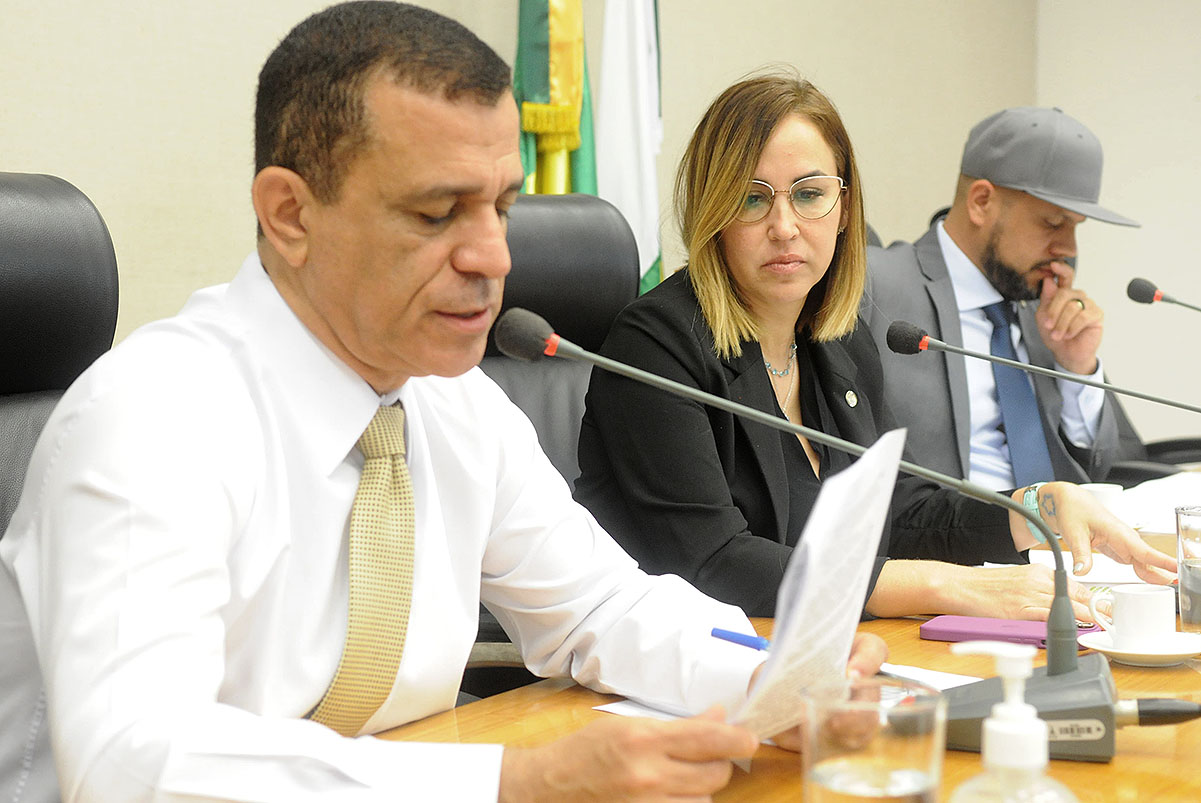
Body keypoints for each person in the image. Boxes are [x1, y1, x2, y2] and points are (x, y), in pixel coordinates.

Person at [0, 6, 888, 801]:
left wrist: (773, 677)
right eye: (437, 213)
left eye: (500, 207)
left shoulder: (453, 403)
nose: (494, 257)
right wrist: (518, 781)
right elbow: (132, 763)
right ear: (290, 214)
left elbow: (601, 608)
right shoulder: (151, 418)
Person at [573, 74, 1174, 624]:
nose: (784, 226)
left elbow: (900, 513)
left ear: (843, 210)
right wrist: (945, 587)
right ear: (712, 213)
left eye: (809, 194)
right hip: (666, 669)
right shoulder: (655, 345)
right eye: (752, 198)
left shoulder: (834, 340)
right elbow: (713, 562)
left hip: (814, 654)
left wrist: (1035, 509)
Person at [861, 106, 1138, 490]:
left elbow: (1101, 468)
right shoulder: (872, 286)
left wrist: (1077, 370)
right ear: (981, 202)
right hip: (943, 525)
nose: (1069, 248)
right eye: (1053, 223)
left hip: (1061, 525)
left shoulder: (1044, 306)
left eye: (1075, 227)